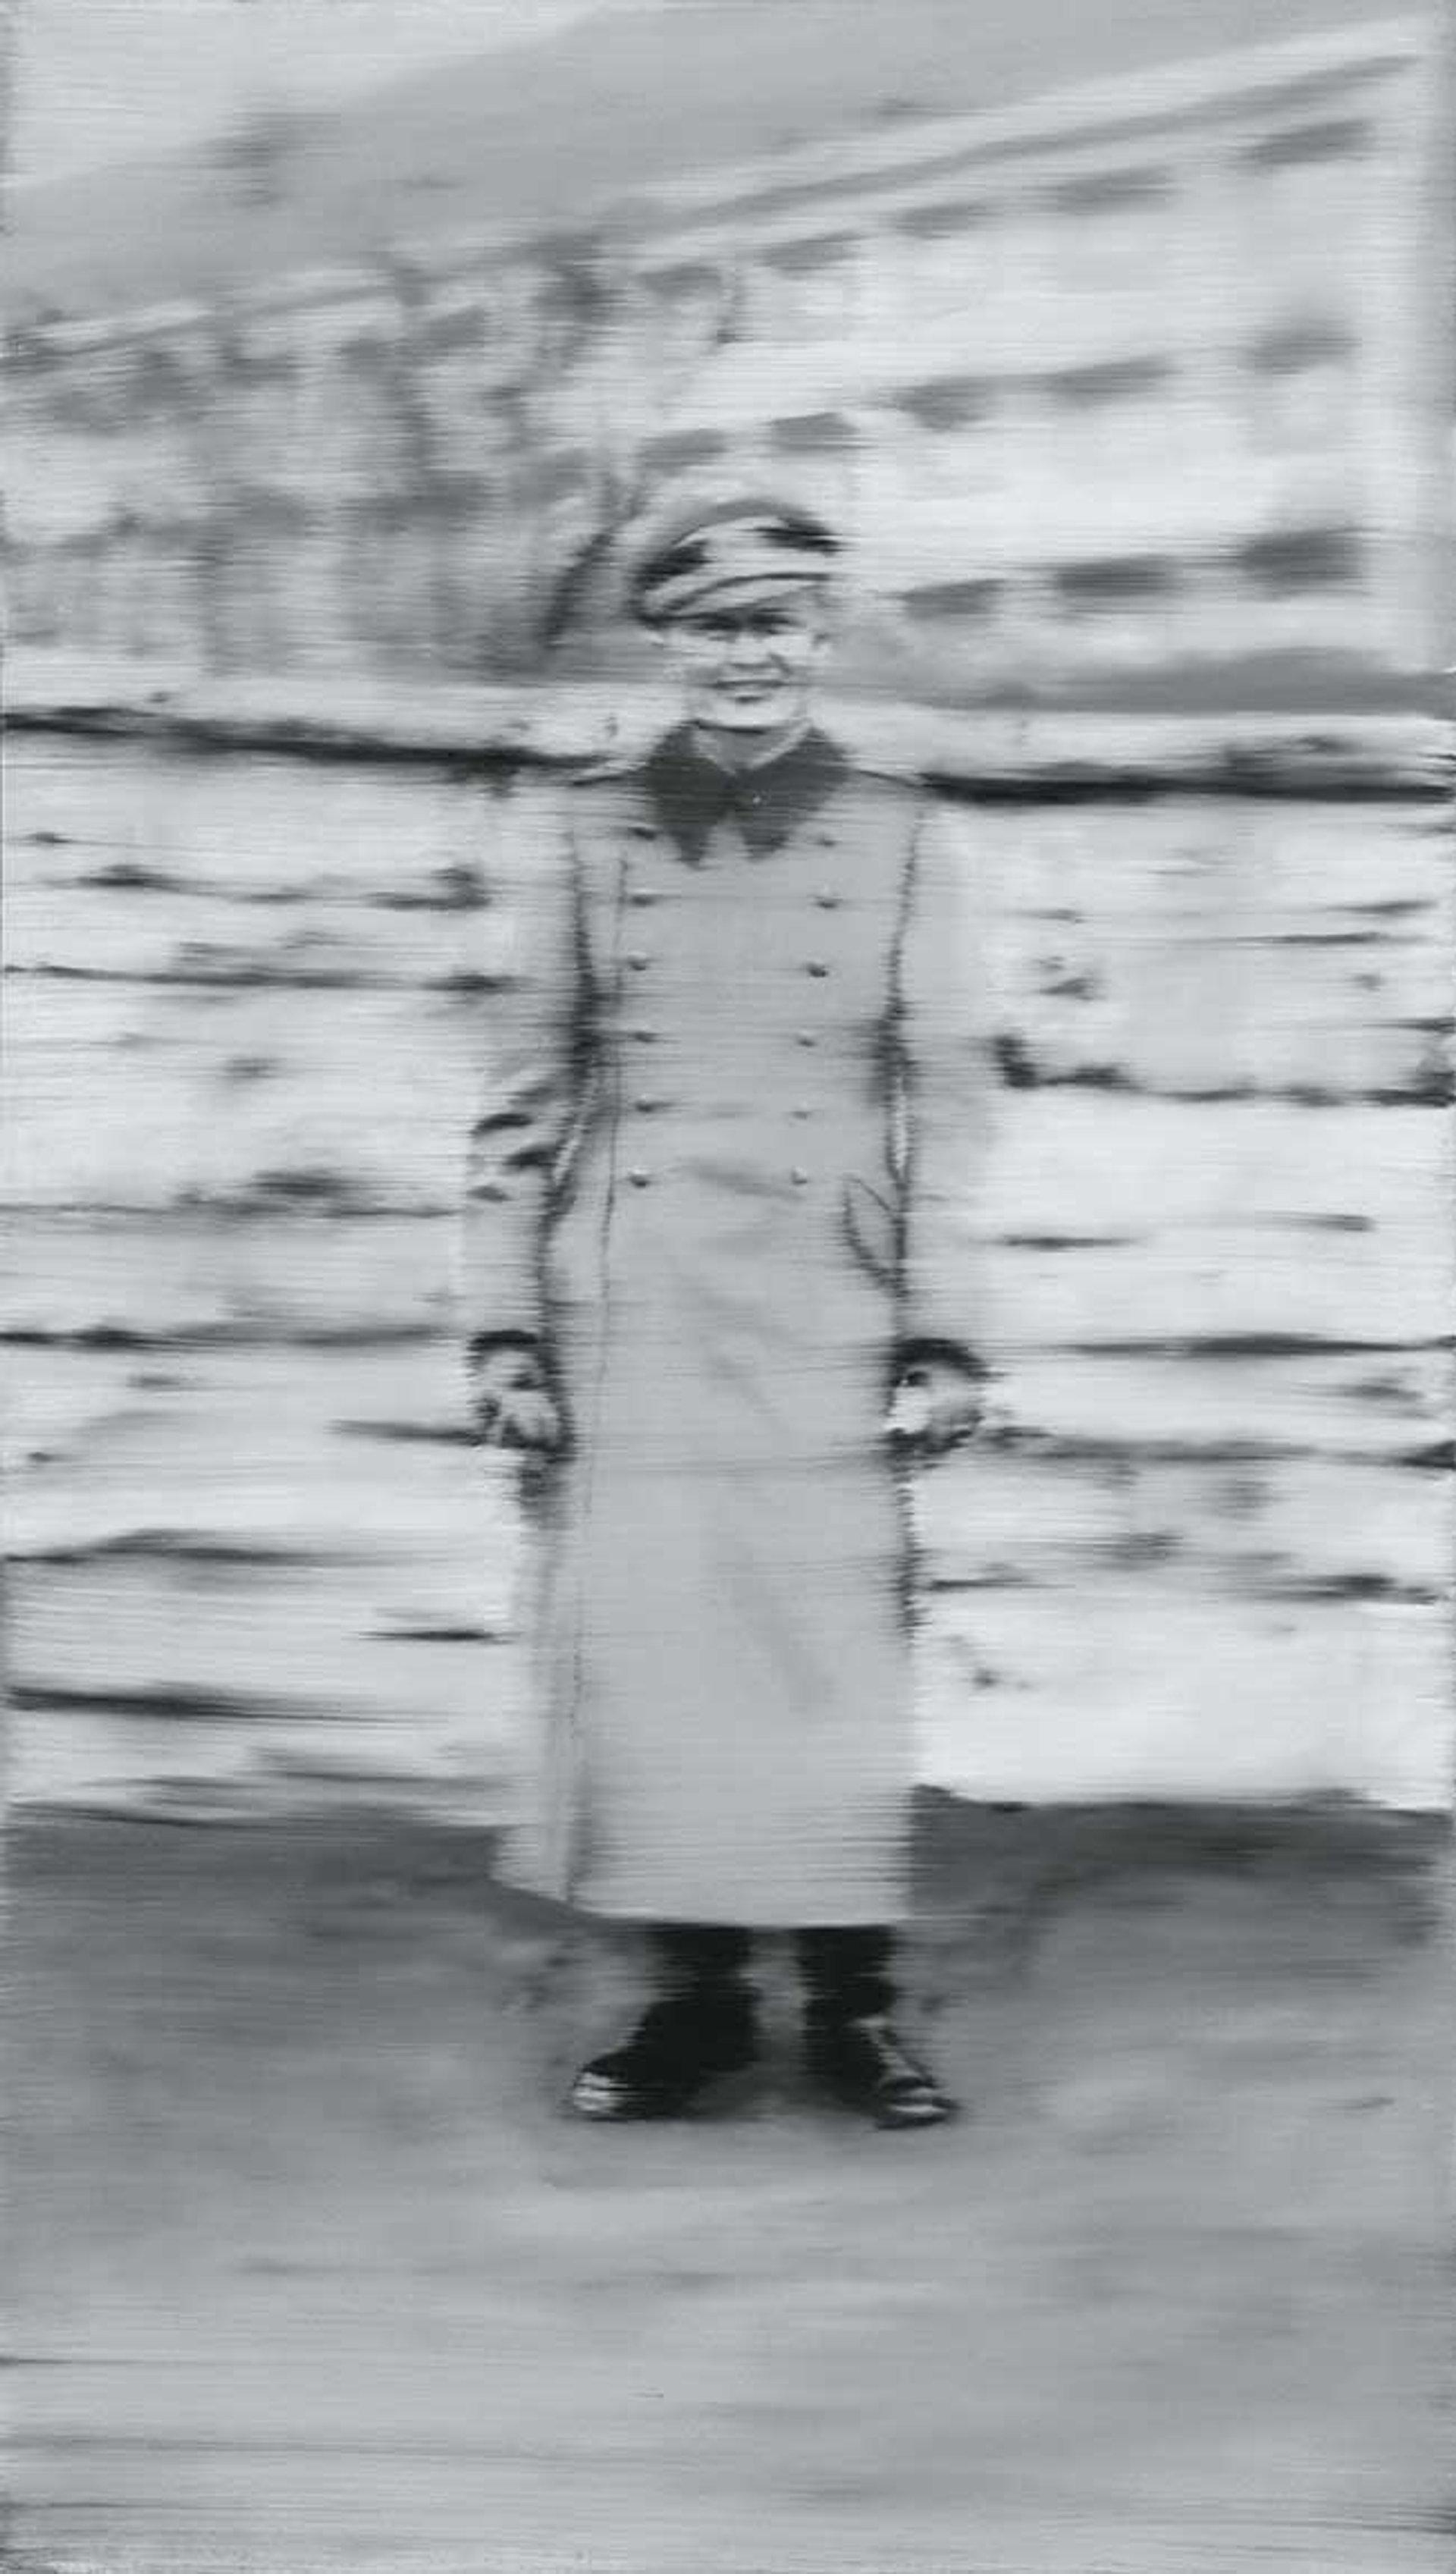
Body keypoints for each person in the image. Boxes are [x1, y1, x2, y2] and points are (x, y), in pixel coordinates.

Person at [462, 492, 994, 2128]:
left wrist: (943, 1329)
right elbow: (520, 1104)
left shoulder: (900, 831)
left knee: (830, 1652)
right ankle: (690, 2005)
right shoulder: (586, 831)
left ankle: (852, 2009)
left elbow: (949, 1102)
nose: (746, 655)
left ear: (820, 636)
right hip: (638, 1302)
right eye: (712, 627)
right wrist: (505, 1332)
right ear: (668, 645)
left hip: (829, 1296)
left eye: (775, 623)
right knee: (662, 1653)